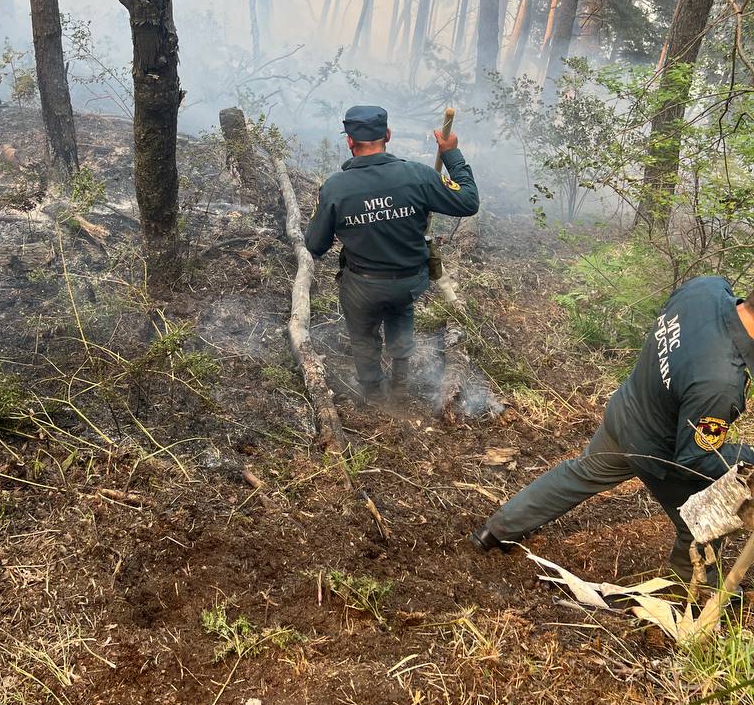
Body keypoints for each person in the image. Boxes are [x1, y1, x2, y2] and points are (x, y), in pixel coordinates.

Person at [471, 275, 754, 580]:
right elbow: (694, 460)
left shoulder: (706, 288)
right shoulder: (720, 382)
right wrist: (748, 456)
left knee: (579, 472)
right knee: (703, 521)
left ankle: (495, 531)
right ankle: (701, 595)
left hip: (626, 410)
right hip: (656, 449)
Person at [304, 104, 479, 402]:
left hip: (362, 286)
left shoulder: (335, 188)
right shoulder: (419, 177)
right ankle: (400, 382)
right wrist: (451, 153)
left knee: (362, 336)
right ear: (387, 135)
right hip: (409, 281)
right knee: (400, 308)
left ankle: (374, 394)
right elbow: (468, 201)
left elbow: (314, 245)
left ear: (349, 141)